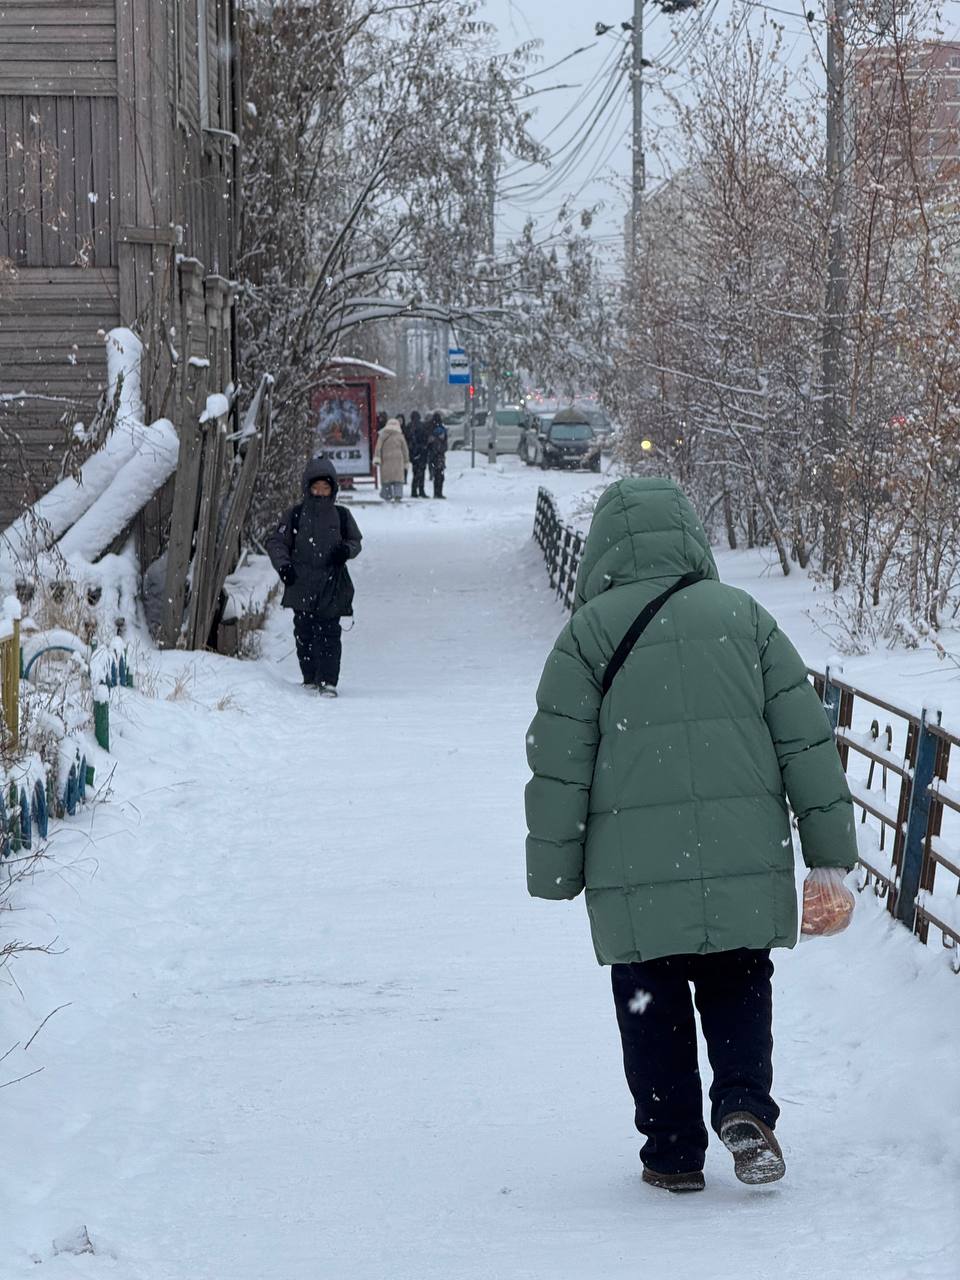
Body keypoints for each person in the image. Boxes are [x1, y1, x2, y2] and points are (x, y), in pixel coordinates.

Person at [524, 476, 857, 1194]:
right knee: (739, 983)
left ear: (604, 549)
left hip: (635, 870)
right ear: (690, 538)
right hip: (743, 853)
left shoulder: (585, 637)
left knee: (651, 1004)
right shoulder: (746, 618)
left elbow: (559, 763)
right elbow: (806, 743)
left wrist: (556, 867)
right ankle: (742, 1103)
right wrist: (829, 856)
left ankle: (672, 1150)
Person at [265, 456, 362, 698]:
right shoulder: (295, 515)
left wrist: (345, 551)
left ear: (333, 489)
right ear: (307, 487)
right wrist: (284, 567)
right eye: (315, 487)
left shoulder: (341, 515)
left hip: (331, 584)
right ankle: (309, 677)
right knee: (304, 632)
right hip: (301, 583)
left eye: (325, 488)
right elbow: (277, 543)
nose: (320, 492)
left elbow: (355, 541)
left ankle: (328, 680)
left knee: (329, 633)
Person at [373, 416, 410, 503]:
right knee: (398, 480)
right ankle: (398, 495)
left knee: (386, 480)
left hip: (386, 460)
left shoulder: (382, 435)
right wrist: (406, 461)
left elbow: (378, 447)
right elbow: (405, 450)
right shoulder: (400, 436)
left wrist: (377, 458)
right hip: (398, 461)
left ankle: (387, 495)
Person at [426, 411, 448, 499]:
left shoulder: (430, 429)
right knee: (440, 475)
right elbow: (445, 445)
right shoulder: (442, 429)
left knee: (436, 475)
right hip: (440, 455)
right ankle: (439, 492)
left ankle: (436, 492)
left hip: (433, 455)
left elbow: (428, 443)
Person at [409, 411, 429, 498]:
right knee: (422, 472)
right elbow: (426, 438)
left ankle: (414, 490)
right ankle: (421, 490)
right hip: (422, 453)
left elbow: (409, 440)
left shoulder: (409, 426)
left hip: (414, 453)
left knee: (415, 473)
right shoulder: (422, 426)